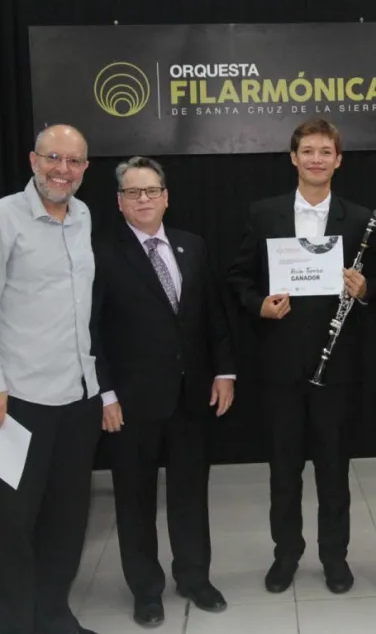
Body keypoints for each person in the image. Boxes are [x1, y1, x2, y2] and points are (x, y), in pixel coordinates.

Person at [225, 117, 376, 595]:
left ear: (338, 160)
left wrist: (365, 289)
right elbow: (237, 280)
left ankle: (334, 557)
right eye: (307, 151)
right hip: (281, 369)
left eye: (325, 151)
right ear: (293, 158)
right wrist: (261, 307)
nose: (316, 159)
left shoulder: (359, 219)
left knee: (334, 471)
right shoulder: (263, 213)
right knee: (283, 470)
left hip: (337, 371)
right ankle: (286, 554)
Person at [0, 124, 101, 634]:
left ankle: (53, 616)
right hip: (14, 399)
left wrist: (97, 387)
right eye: (53, 158)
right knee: (13, 528)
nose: (63, 169)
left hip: (77, 398)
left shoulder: (83, 217)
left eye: (74, 161)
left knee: (66, 522)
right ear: (33, 160)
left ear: (86, 168)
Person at [91, 156, 236, 625]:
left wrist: (225, 372)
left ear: (166, 196)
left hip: (192, 395)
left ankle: (194, 577)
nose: (144, 200)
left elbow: (212, 315)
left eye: (151, 191)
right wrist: (105, 394)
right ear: (119, 202)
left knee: (191, 492)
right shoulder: (101, 253)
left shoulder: (191, 246)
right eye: (133, 193)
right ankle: (146, 590)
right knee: (134, 499)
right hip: (131, 403)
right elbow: (90, 331)